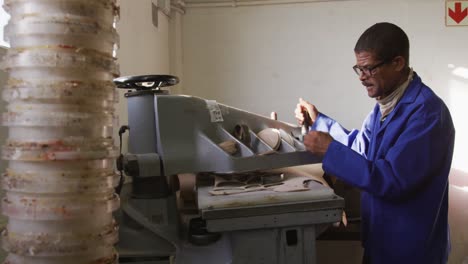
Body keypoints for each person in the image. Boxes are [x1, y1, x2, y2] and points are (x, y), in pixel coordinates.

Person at [295, 22, 455, 264]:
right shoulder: (385, 106)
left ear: (398, 63)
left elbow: (392, 180)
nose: (361, 78)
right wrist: (319, 121)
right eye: (358, 69)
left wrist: (329, 149)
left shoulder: (427, 113)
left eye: (369, 69)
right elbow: (361, 147)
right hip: (381, 240)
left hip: (409, 250)